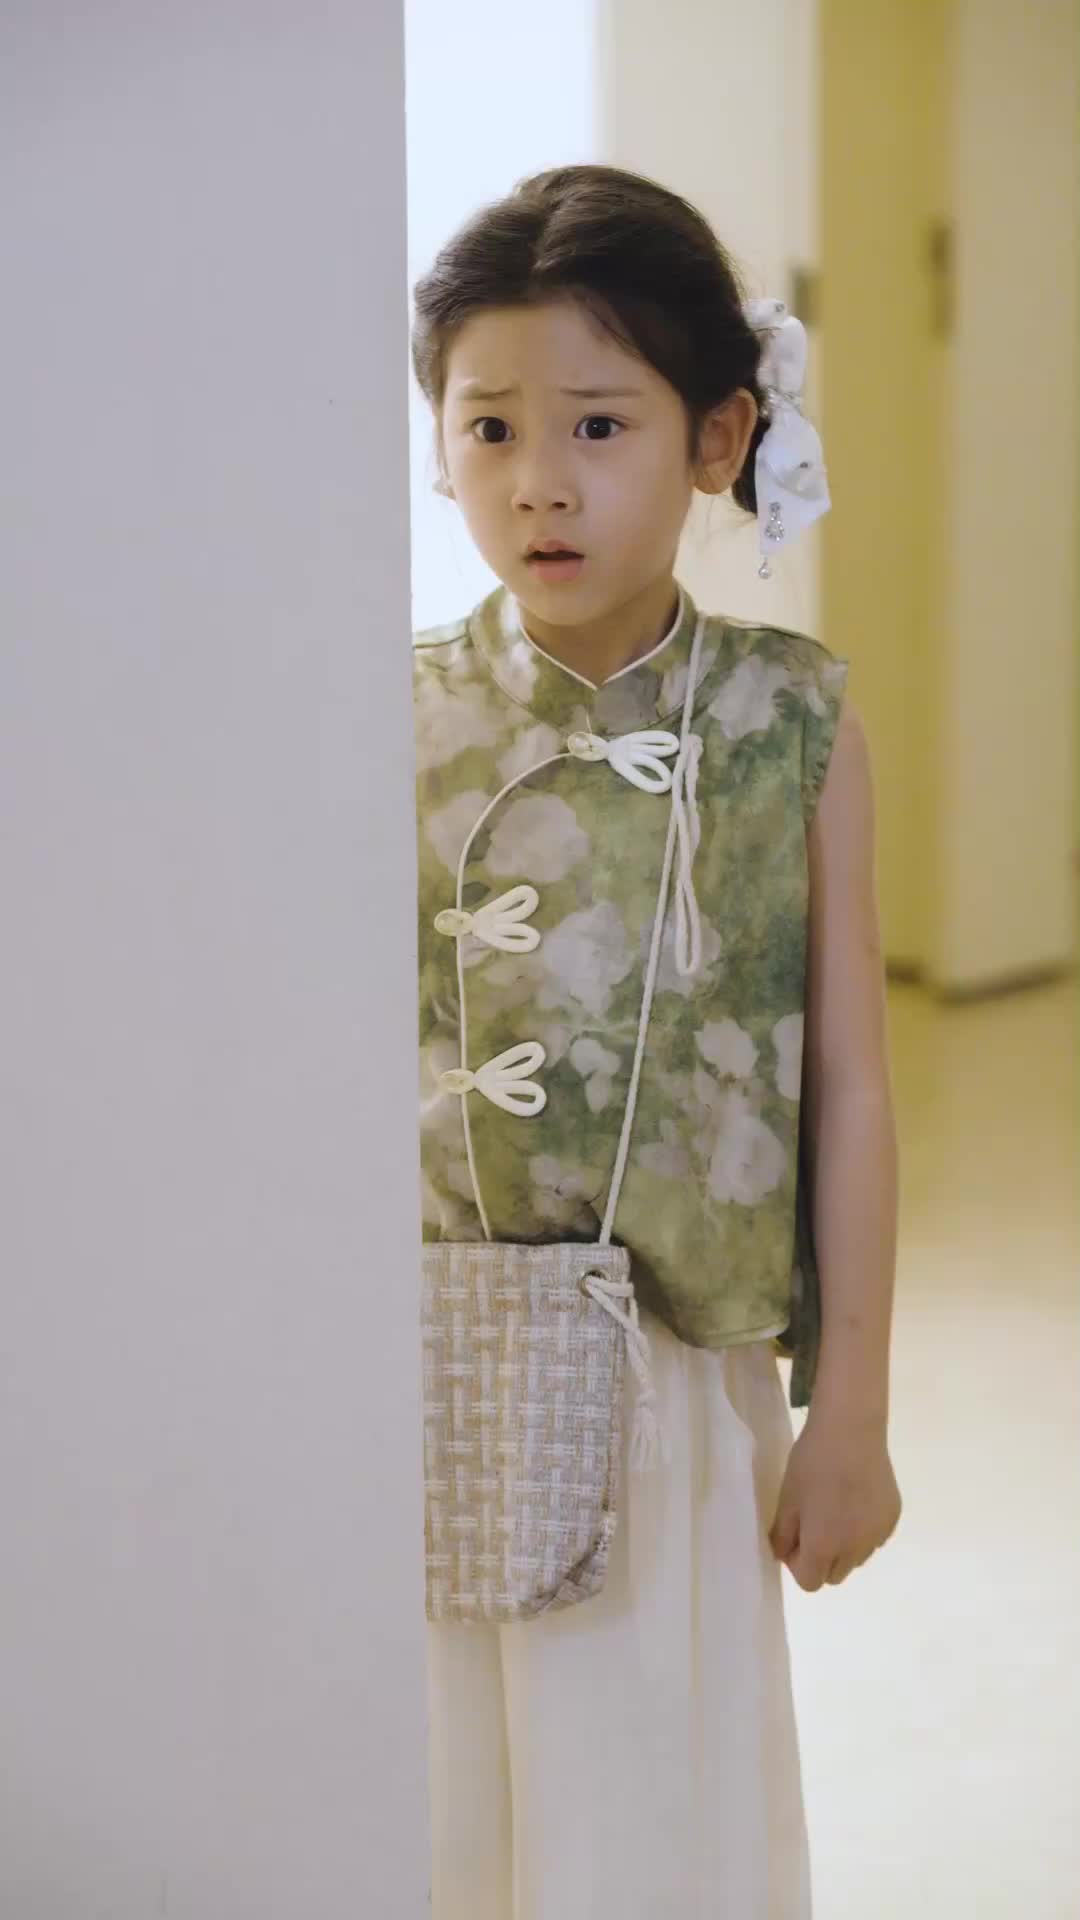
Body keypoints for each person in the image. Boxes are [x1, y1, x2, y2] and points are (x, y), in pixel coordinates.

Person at [410, 162, 902, 1919]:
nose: (538, 481)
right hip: (419, 1362)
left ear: (718, 437)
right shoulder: (388, 713)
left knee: (647, 1818)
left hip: (673, 1385)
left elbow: (850, 1085)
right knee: (436, 1806)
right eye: (489, 428)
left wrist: (852, 1414)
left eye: (598, 425)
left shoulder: (789, 721)